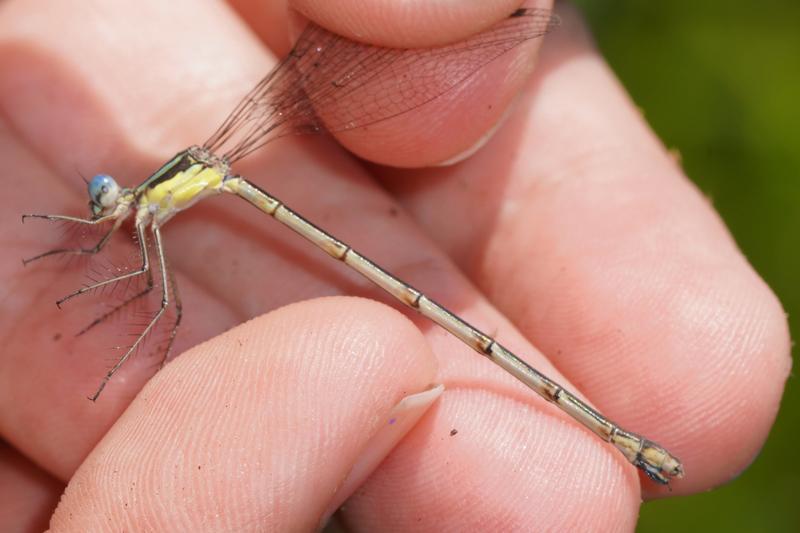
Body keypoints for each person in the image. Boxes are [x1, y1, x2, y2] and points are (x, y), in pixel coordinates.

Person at [0, 0, 790, 530]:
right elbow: (136, 266)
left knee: (158, 302)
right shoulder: (147, 206)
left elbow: (154, 297)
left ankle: (623, 439)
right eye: (107, 202)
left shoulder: (161, 203)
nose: (111, 208)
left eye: (109, 200)